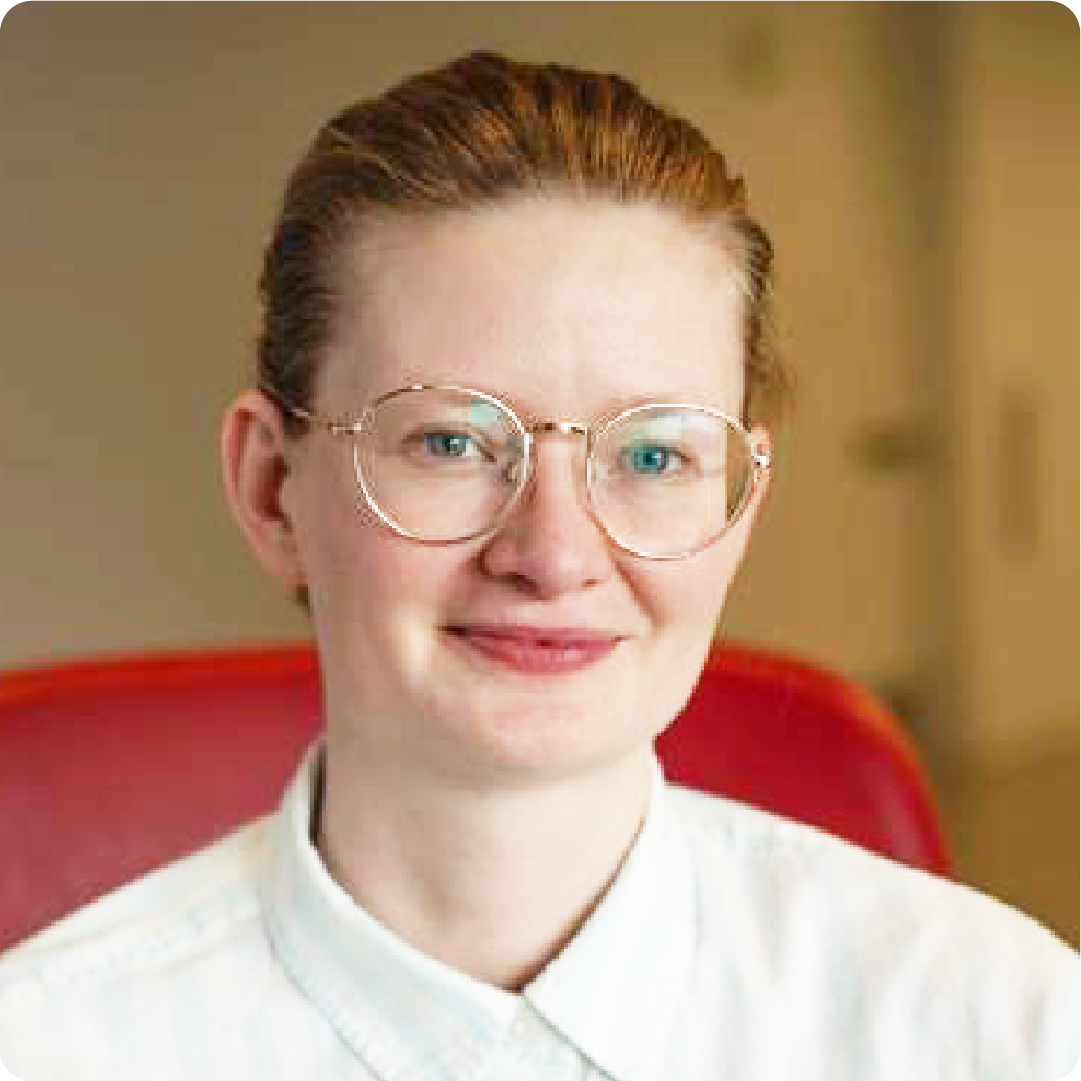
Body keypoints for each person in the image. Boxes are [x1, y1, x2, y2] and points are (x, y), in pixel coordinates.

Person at [0, 51, 1078, 1081]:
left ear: (742, 502)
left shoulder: (1001, 1025)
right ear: (272, 489)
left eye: (654, 453)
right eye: (449, 442)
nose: (554, 553)